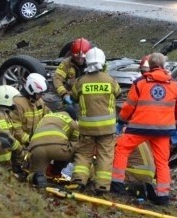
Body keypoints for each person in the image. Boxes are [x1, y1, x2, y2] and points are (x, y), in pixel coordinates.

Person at [110, 52, 177, 206]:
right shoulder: (176, 85)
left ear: (149, 66)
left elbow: (129, 106)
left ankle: (117, 185)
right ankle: (163, 196)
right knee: (162, 162)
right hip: (163, 130)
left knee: (122, 149)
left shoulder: (140, 83)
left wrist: (121, 121)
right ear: (164, 65)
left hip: (139, 127)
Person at [69, 47, 121, 193]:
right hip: (107, 129)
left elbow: (73, 97)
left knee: (84, 153)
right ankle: (102, 185)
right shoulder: (110, 81)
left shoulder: (80, 82)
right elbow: (117, 94)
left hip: (86, 128)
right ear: (103, 62)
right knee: (105, 155)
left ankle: (79, 180)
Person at [9, 73, 51, 175]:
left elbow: (49, 116)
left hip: (34, 144)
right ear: (32, 90)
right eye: (40, 93)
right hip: (21, 147)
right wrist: (30, 141)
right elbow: (15, 129)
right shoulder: (17, 103)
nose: (42, 96)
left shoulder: (39, 102)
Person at [27, 111, 81, 188]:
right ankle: (57, 171)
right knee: (79, 146)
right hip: (57, 148)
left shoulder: (46, 116)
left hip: (36, 147)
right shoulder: (73, 123)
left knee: (34, 172)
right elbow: (74, 141)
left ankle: (37, 177)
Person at [53, 38, 93, 119]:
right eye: (77, 57)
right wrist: (64, 94)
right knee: (69, 113)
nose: (79, 60)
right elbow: (57, 78)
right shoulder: (66, 63)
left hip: (88, 95)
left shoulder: (93, 63)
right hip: (71, 96)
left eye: (82, 58)